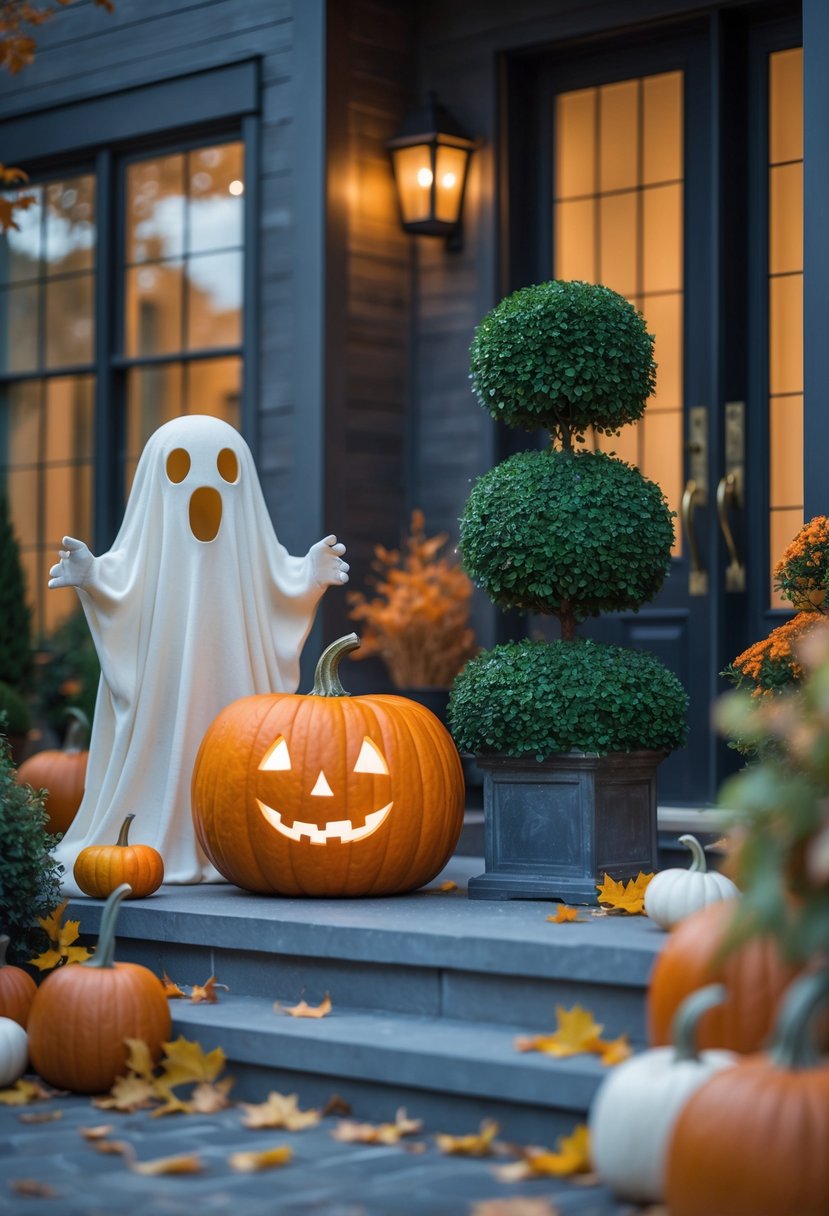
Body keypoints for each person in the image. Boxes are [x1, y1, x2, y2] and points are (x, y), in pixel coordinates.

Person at [48, 414, 348, 893]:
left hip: (236, 684)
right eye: (180, 469)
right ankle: (151, 832)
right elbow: (119, 584)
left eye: (225, 469)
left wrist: (308, 573)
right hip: (163, 690)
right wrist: (92, 576)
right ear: (155, 480)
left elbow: (279, 578)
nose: (202, 487)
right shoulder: (147, 551)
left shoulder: (248, 550)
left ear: (242, 481)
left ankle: (233, 837)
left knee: (238, 746)